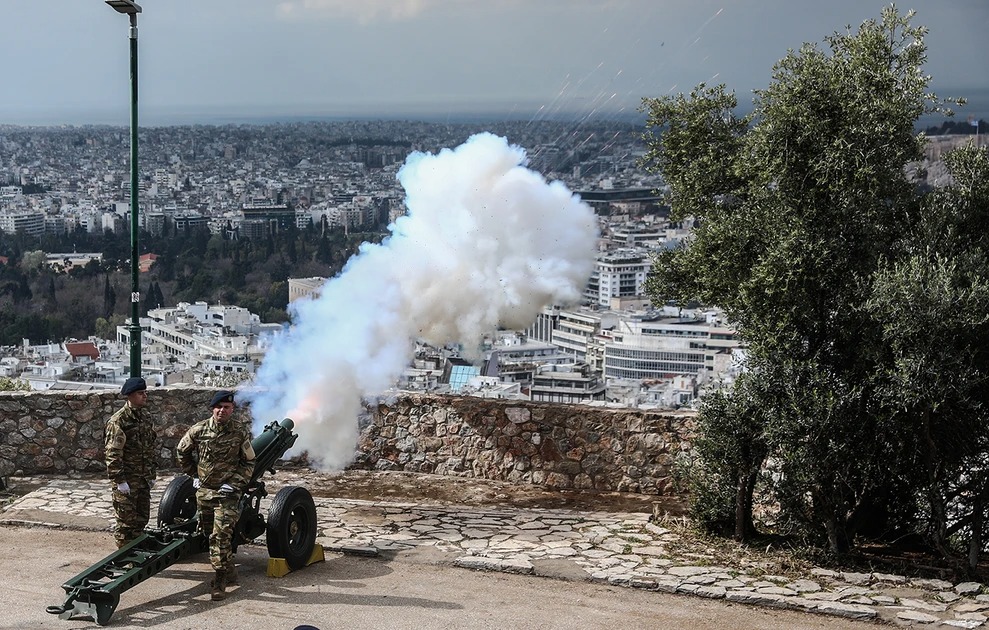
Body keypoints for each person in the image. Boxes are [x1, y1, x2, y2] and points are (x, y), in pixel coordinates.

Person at [176, 390, 256, 601]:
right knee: (208, 533)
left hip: (227, 493)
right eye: (219, 407)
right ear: (213, 409)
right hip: (205, 492)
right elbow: (182, 451)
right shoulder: (199, 430)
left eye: (226, 407)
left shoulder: (240, 432)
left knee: (220, 536)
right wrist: (194, 474)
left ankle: (219, 580)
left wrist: (235, 483)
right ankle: (229, 570)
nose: (222, 411)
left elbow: (249, 462)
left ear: (232, 409)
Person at [104, 376, 158, 548]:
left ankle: (137, 551)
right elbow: (113, 453)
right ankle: (124, 556)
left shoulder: (146, 417)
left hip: (143, 479)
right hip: (127, 479)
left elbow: (150, 447)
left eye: (145, 392)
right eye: (140, 393)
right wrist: (120, 481)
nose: (145, 396)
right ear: (130, 395)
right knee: (126, 524)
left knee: (141, 519)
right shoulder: (119, 421)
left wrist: (151, 474)